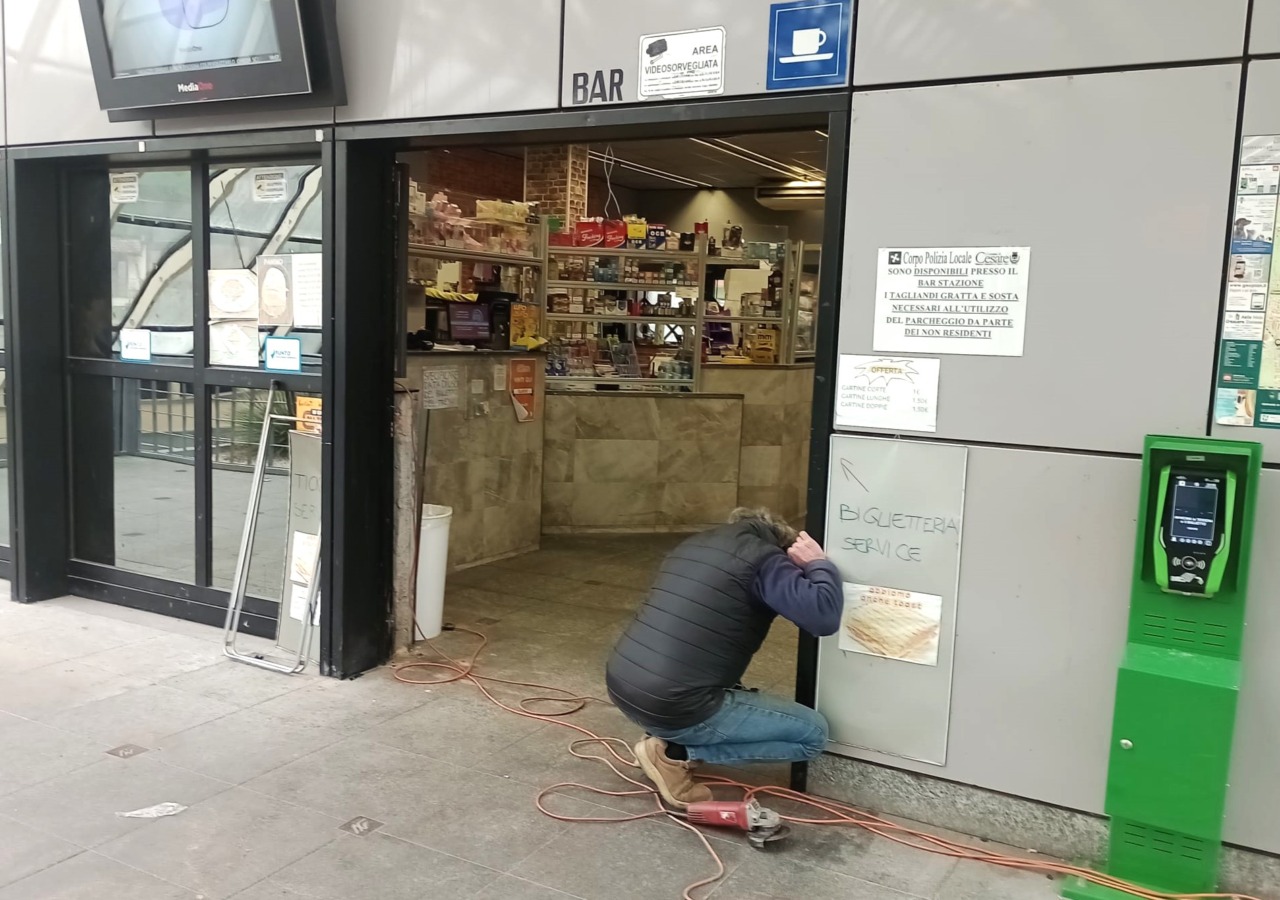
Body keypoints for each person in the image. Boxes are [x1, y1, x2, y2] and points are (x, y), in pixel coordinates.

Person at [605, 508, 843, 809]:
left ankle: (663, 738)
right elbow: (822, 618)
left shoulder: (694, 544)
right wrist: (817, 565)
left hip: (623, 683)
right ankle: (675, 754)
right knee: (813, 735)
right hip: (673, 702)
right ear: (781, 543)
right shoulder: (765, 559)